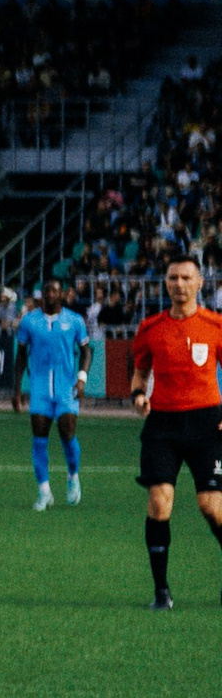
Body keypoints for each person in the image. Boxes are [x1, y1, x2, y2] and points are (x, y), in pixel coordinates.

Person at [127, 257, 222, 611]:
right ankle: (161, 591)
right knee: (159, 502)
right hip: (163, 425)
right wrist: (139, 395)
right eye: (172, 278)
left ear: (200, 283)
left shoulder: (215, 325)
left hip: (207, 424)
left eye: (186, 277)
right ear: (165, 283)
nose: (179, 284)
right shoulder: (151, 328)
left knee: (211, 507)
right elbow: (140, 373)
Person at [13, 279, 90, 511]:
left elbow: (86, 351)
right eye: (47, 290)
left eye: (55, 290)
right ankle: (44, 491)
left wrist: (81, 378)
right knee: (39, 438)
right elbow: (21, 355)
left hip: (66, 388)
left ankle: (73, 476)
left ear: (62, 294)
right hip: (39, 389)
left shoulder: (74, 320)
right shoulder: (29, 321)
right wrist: (17, 389)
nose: (50, 294)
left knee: (67, 433)